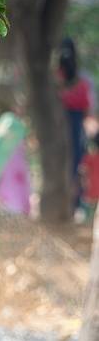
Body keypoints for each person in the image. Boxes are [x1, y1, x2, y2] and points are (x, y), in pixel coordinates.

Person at [59, 39, 94, 213]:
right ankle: (75, 203)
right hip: (76, 124)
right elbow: (87, 108)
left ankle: (66, 202)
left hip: (60, 124)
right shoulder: (83, 79)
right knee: (77, 163)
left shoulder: (55, 78)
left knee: (64, 163)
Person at [81, 130, 99, 220]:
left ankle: (89, 219)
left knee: (89, 203)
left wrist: (83, 181)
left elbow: (83, 170)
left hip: (91, 184)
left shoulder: (88, 157)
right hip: (93, 184)